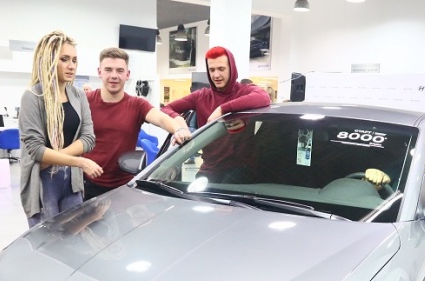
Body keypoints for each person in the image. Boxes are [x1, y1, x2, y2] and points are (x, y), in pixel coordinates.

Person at [83, 47, 191, 199]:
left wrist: (178, 129)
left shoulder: (137, 105)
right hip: (87, 184)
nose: (114, 75)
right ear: (99, 72)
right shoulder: (85, 101)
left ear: (127, 74)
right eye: (108, 70)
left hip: (123, 187)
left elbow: (161, 118)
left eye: (120, 70)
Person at [19, 30, 102, 227]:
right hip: (43, 182)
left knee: (73, 236)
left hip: (71, 181)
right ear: (49, 60)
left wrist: (53, 159)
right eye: (64, 59)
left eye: (74, 60)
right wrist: (79, 161)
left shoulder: (78, 95)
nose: (71, 65)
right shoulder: (33, 97)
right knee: (48, 239)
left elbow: (88, 138)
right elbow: (36, 149)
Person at [161, 46, 271, 174]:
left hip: (242, 169)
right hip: (210, 168)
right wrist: (180, 126)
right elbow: (165, 109)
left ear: (232, 68)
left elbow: (264, 97)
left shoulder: (245, 91)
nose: (216, 75)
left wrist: (222, 109)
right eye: (211, 70)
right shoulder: (201, 96)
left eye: (221, 69)